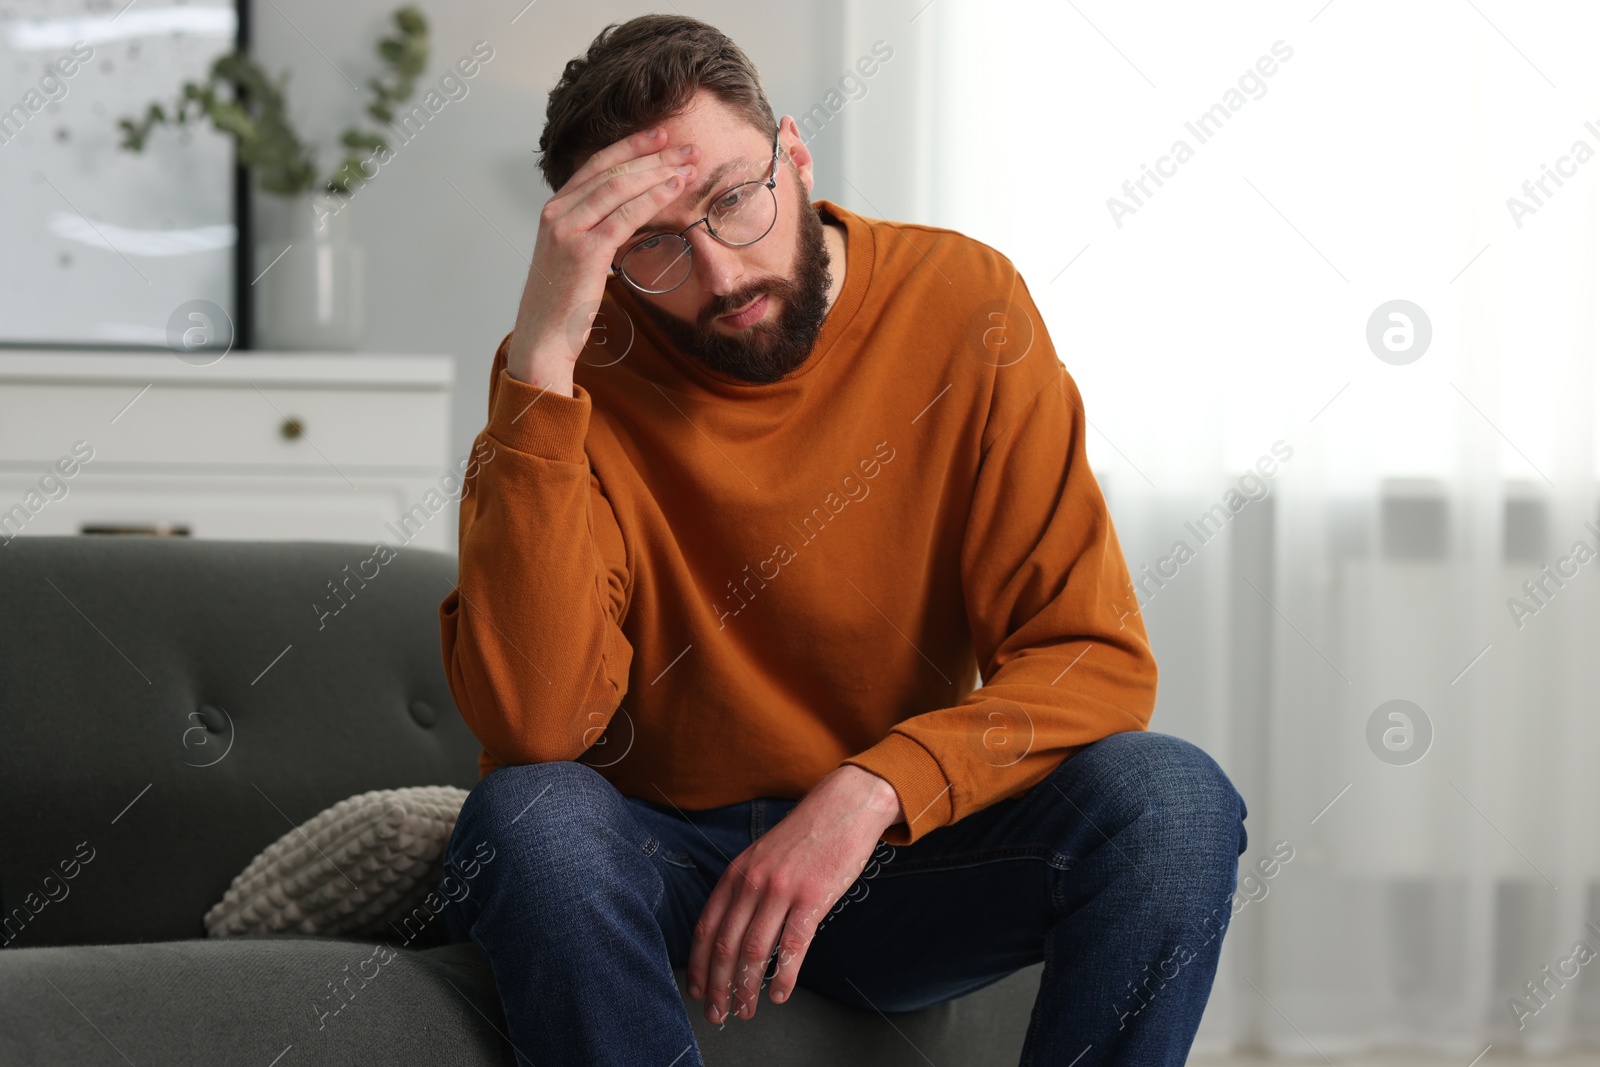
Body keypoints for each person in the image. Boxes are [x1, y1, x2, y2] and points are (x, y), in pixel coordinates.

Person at [437, 14, 1246, 1066]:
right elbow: (536, 723)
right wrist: (544, 352)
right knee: (527, 815)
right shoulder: (565, 372)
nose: (721, 273)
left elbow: (1089, 654)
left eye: (734, 198)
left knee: (1172, 797)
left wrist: (872, 790)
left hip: (898, 864)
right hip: (658, 866)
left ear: (794, 150)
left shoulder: (963, 302)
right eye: (653, 244)